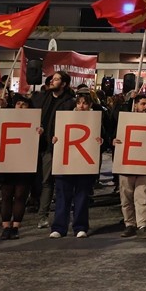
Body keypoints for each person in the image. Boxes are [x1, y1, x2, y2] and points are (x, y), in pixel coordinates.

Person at [49, 92, 102, 238]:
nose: (81, 106)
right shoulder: (64, 118)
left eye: (85, 103)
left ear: (90, 105)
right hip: (65, 163)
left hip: (85, 164)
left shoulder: (97, 120)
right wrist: (54, 139)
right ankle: (59, 228)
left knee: (82, 197)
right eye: (79, 103)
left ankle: (80, 227)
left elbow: (106, 137)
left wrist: (101, 141)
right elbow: (54, 134)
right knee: (62, 197)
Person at [114, 93, 146, 238]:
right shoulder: (124, 119)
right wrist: (114, 140)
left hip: (144, 164)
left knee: (142, 196)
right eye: (143, 104)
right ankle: (129, 224)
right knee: (126, 197)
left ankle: (142, 225)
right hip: (126, 163)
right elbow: (112, 126)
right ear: (135, 105)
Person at [32, 71, 75, 227]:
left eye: (56, 79)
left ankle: (64, 215)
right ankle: (42, 216)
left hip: (63, 147)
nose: (52, 81)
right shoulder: (44, 99)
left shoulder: (70, 103)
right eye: (52, 78)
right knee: (46, 182)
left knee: (63, 183)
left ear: (63, 84)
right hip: (46, 147)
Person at [0, 94, 39, 239]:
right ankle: (6, 227)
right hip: (8, 162)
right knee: (6, 195)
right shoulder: (4, 118)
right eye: (18, 103)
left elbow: (42, 145)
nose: (20, 106)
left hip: (24, 164)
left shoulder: (36, 123)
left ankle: (15, 227)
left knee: (20, 196)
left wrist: (40, 134)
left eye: (24, 104)